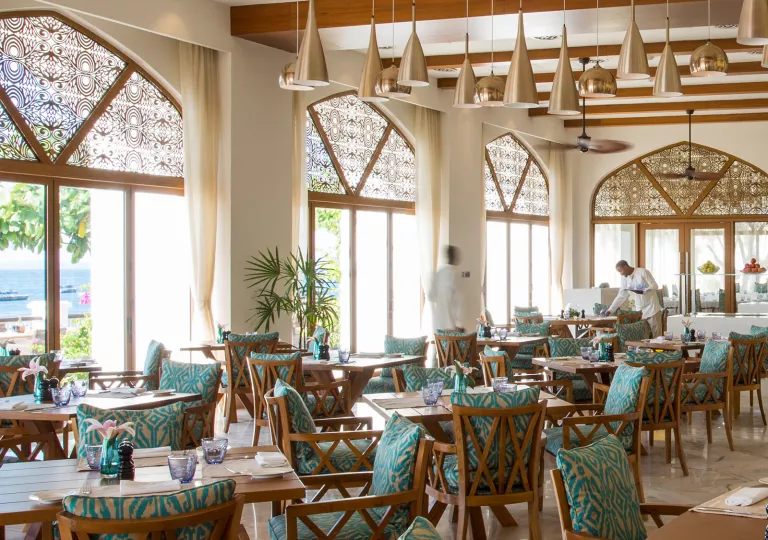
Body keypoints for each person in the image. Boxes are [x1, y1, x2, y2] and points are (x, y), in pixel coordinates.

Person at [607, 260, 663, 338]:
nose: (621, 274)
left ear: (626, 267)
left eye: (621, 271)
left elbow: (654, 286)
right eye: (619, 272)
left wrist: (643, 291)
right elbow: (621, 296)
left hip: (652, 308)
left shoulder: (643, 272)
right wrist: (610, 310)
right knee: (643, 338)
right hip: (640, 311)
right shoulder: (624, 279)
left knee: (657, 337)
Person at [428, 245, 464, 332]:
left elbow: (431, 296)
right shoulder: (455, 275)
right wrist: (459, 323)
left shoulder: (438, 273)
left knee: (440, 345)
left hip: (438, 321)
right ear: (454, 257)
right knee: (454, 345)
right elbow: (458, 300)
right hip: (450, 323)